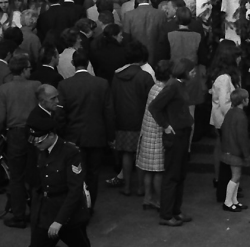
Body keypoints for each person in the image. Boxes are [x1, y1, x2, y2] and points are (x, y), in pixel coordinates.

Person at [11, 107, 107, 247]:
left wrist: (59, 221)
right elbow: (35, 179)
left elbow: (74, 192)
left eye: (39, 139)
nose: (36, 144)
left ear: (51, 135)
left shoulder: (70, 152)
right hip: (44, 214)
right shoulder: (39, 150)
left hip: (68, 218)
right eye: (34, 140)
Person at [148, 58, 205, 226]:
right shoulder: (173, 86)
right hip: (176, 135)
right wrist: (165, 126)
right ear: (185, 71)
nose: (194, 73)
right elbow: (154, 107)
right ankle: (166, 215)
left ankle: (175, 211)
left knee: (179, 174)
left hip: (182, 133)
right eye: (192, 71)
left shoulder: (177, 85)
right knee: (173, 175)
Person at [57, 49, 109, 211]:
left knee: (76, 173)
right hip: (96, 135)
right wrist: (111, 135)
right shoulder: (101, 83)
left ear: (73, 63)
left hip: (74, 137)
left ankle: (77, 206)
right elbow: (108, 112)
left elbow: (60, 114)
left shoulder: (64, 85)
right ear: (88, 63)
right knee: (93, 174)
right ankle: (90, 206)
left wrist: (61, 134)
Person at [0, 52, 41, 227]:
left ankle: (19, 215)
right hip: (35, 133)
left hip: (15, 134)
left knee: (16, 177)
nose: (31, 71)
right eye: (29, 68)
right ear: (23, 70)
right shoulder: (36, 86)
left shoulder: (4, 89)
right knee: (36, 177)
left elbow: (0, 118)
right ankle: (37, 214)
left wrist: (0, 129)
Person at [106, 43, 154, 195]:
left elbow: (112, 97)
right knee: (140, 155)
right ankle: (140, 188)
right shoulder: (144, 76)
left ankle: (127, 187)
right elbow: (152, 100)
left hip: (121, 119)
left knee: (126, 154)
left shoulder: (116, 76)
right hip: (141, 119)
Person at [136, 61, 170, 212]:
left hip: (147, 132)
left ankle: (147, 197)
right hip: (157, 133)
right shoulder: (163, 91)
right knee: (158, 171)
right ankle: (157, 199)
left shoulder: (153, 87)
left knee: (148, 170)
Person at [209, 40, 240, 188]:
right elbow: (224, 103)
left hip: (221, 119)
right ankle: (224, 183)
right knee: (227, 152)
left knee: (221, 148)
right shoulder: (224, 78)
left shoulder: (223, 76)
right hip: (224, 120)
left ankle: (221, 181)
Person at [220, 88, 250, 212]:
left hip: (228, 149)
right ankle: (228, 202)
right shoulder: (241, 117)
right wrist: (246, 154)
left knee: (236, 176)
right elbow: (242, 137)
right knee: (236, 176)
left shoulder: (230, 113)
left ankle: (234, 200)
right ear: (243, 101)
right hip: (236, 152)